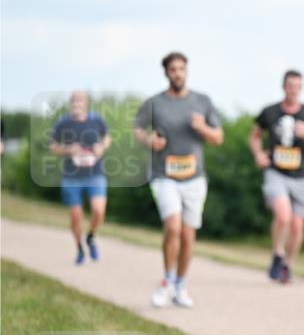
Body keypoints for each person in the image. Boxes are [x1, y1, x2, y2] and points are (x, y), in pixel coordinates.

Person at [133, 52, 224, 308]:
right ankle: (166, 281)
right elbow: (137, 128)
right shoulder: (154, 103)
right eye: (173, 69)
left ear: (187, 71)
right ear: (166, 73)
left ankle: (180, 286)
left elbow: (218, 138)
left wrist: (202, 127)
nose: (178, 74)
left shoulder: (202, 101)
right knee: (172, 227)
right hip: (164, 176)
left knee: (187, 234)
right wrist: (148, 140)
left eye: (182, 69)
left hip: (194, 177)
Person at [249, 70, 304, 284]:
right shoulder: (270, 112)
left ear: (301, 88)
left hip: (302, 176)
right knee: (283, 215)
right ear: (284, 87)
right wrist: (258, 154)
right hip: (276, 172)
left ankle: (287, 266)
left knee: (297, 226)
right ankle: (277, 253)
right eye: (290, 86)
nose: (293, 90)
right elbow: (255, 136)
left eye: (297, 86)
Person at [48, 91, 111, 264]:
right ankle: (80, 249)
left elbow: (106, 137)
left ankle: (91, 236)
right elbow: (53, 146)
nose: (77, 104)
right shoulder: (63, 123)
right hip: (72, 177)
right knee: (76, 217)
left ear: (86, 103)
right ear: (70, 103)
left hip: (95, 174)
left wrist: (101, 147)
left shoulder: (97, 120)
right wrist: (68, 149)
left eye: (80, 100)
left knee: (99, 211)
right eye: (74, 101)